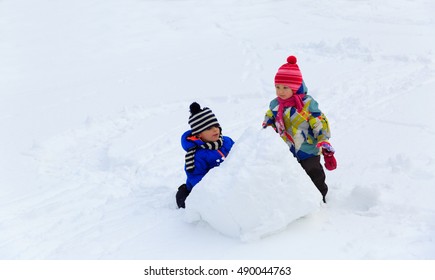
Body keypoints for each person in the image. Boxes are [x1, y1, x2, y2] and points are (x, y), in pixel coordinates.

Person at [262, 55, 337, 203]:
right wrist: (267, 129)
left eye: (285, 88)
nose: (280, 91)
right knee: (292, 174)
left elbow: (318, 121)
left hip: (308, 148)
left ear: (295, 88)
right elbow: (269, 117)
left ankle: (320, 197)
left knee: (313, 172)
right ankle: (297, 200)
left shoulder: (307, 104)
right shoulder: (275, 104)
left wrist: (323, 140)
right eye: (277, 87)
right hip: (287, 148)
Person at [176, 102, 234, 208]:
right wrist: (210, 191)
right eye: (209, 128)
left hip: (229, 181)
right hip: (207, 187)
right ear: (199, 134)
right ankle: (183, 193)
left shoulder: (227, 141)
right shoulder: (196, 156)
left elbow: (240, 154)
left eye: (216, 125)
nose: (215, 129)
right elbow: (196, 177)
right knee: (189, 203)